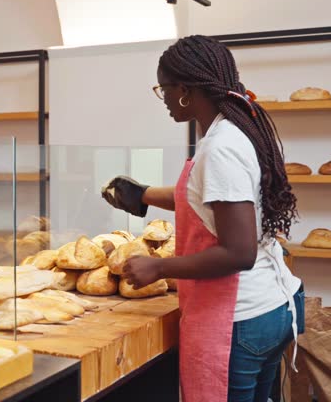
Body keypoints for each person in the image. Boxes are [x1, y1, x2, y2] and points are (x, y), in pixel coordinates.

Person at [102, 35, 305, 402]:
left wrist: (159, 268)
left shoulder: (221, 148)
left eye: (162, 88)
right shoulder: (239, 128)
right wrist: (142, 194)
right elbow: (212, 201)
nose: (162, 98)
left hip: (240, 319)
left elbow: (239, 251)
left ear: (184, 89)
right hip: (271, 306)